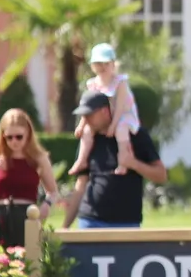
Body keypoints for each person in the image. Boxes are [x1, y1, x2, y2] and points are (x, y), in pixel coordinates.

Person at [62, 89, 167, 229]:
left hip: (126, 223)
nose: (85, 120)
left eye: (89, 114)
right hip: (90, 220)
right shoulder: (88, 141)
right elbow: (81, 186)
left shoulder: (136, 135)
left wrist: (133, 164)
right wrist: (65, 228)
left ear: (105, 111)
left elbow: (161, 175)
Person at [0, 108, 62, 248]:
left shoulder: (38, 158)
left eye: (19, 136)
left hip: (27, 216)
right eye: (9, 137)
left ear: (28, 133)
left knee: (27, 263)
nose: (14, 141)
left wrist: (46, 205)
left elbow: (53, 191)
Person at [70, 42, 142, 177]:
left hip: (122, 115)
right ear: (92, 66)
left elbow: (120, 106)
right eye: (98, 63)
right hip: (104, 117)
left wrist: (113, 125)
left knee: (121, 129)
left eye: (106, 63)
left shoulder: (120, 82)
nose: (102, 67)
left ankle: (123, 161)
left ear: (113, 64)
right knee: (87, 131)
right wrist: (81, 124)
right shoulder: (93, 84)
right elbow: (89, 107)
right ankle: (82, 160)